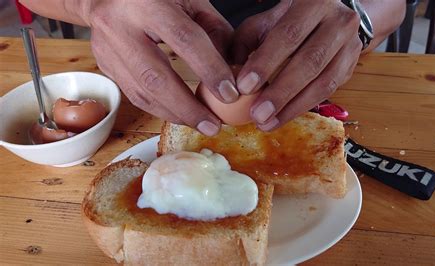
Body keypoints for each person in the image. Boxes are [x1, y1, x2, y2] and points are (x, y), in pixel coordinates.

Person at [20, 0, 405, 136]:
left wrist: (355, 16)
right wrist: (90, 4)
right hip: (150, 65)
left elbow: (394, 3)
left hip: (313, 79)